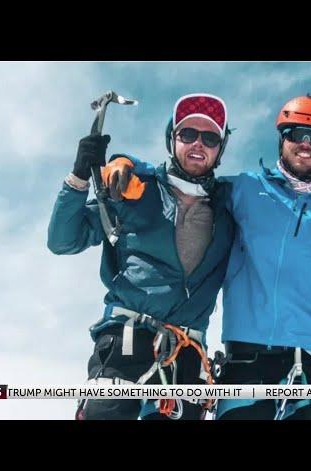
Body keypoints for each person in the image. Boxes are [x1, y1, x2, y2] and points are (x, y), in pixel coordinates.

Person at [111, 93, 311, 420]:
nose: (305, 144)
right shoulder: (244, 190)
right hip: (247, 360)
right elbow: (187, 176)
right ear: (282, 139)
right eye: (296, 134)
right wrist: (127, 164)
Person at [47, 93, 234, 420]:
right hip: (125, 344)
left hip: (186, 358)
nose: (198, 144)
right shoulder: (132, 188)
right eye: (187, 134)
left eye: (210, 138)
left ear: (221, 148)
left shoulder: (231, 209)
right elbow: (63, 241)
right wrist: (79, 176)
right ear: (171, 138)